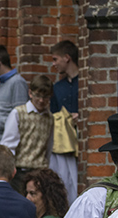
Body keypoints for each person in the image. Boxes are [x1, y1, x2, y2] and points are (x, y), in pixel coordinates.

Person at [0, 75, 54, 195]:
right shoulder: (18, 113)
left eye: (45, 97)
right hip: (20, 172)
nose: (41, 100)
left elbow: (48, 148)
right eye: (38, 96)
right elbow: (8, 146)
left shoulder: (49, 117)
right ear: (30, 93)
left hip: (40, 172)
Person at [48, 40, 80, 205]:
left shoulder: (85, 82)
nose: (53, 64)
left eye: (55, 59)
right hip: (64, 145)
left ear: (67, 58)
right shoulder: (57, 87)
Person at [0, 45, 29, 143]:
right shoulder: (2, 84)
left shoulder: (17, 82)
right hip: (0, 140)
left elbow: (21, 117)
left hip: (10, 142)